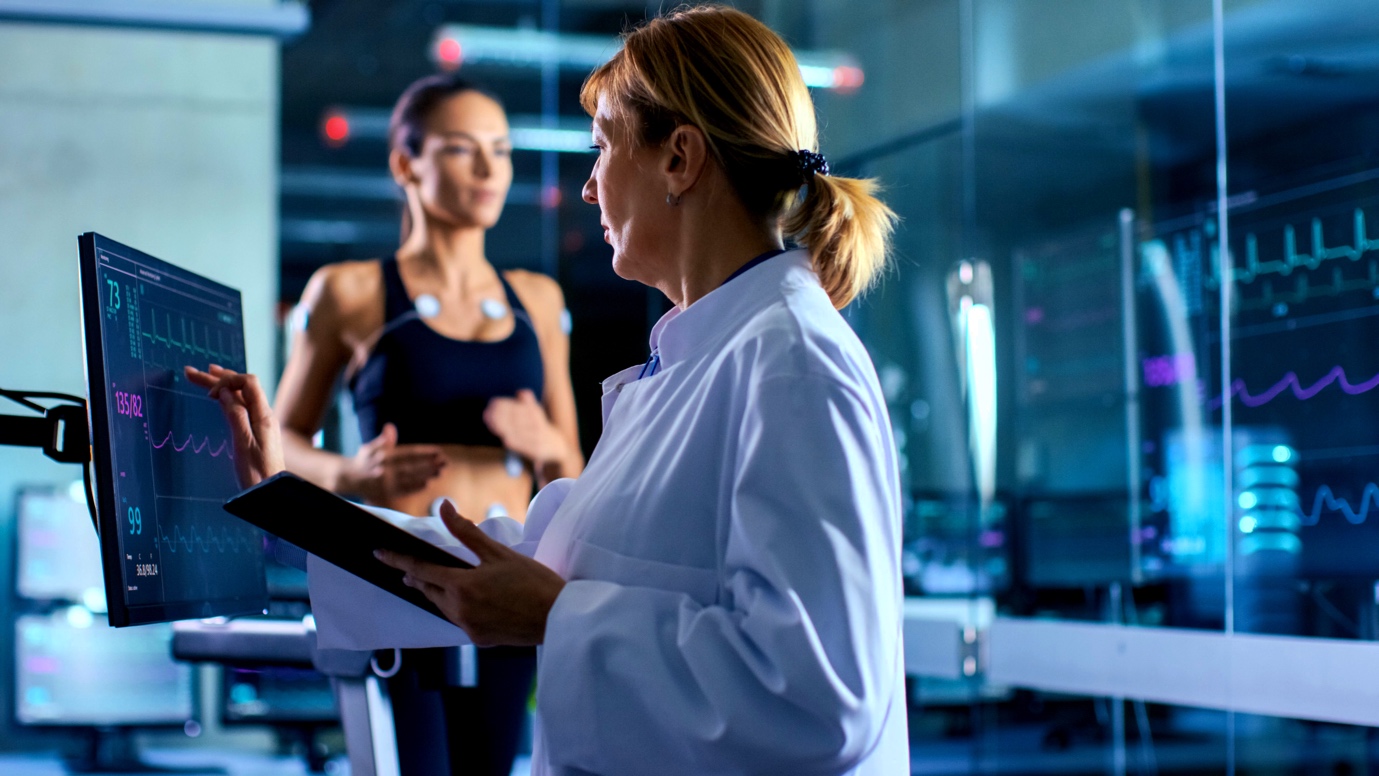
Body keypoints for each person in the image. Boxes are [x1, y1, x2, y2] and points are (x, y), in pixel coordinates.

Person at [190, 5, 907, 773]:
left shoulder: (790, 362)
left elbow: (816, 698)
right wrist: (287, 499)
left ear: (679, 160)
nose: (589, 190)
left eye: (602, 149)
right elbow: (534, 561)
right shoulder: (702, 356)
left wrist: (557, 617)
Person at [271, 74, 583, 776]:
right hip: (396, 588)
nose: (488, 170)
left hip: (503, 589)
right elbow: (280, 444)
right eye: (460, 149)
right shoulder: (348, 292)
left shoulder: (537, 298)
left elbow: (574, 476)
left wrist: (549, 446)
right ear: (406, 164)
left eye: (500, 151)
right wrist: (349, 474)